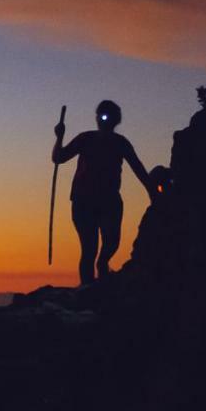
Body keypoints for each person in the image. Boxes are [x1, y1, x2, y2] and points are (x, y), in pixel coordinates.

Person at [51, 100, 152, 285]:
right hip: (83, 201)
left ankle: (103, 263)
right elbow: (58, 158)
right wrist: (59, 137)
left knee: (112, 242)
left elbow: (137, 167)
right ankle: (87, 288)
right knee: (89, 248)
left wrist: (150, 190)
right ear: (97, 118)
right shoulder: (85, 138)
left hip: (109, 200)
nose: (104, 120)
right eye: (102, 115)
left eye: (108, 116)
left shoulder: (121, 143)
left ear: (116, 120)